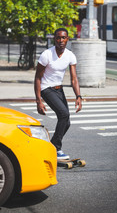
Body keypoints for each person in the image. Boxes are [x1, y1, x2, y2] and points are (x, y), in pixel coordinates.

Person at [34, 28, 82, 160]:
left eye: (64, 38)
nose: (61, 40)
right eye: (58, 38)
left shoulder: (70, 55)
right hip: (46, 89)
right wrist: (39, 100)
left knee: (66, 122)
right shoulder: (46, 55)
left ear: (67, 39)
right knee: (64, 114)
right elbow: (37, 78)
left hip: (59, 89)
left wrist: (78, 96)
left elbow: (74, 79)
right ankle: (56, 148)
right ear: (54, 39)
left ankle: (50, 146)